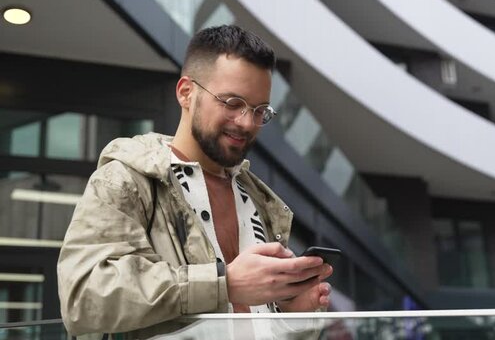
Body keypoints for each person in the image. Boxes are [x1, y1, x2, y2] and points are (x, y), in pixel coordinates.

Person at [57, 25, 333, 338]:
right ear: (186, 92)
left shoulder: (259, 201)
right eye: (232, 103)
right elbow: (83, 297)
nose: (246, 122)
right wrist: (224, 283)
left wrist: (292, 319)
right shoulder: (127, 179)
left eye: (259, 111)